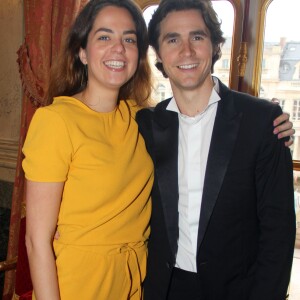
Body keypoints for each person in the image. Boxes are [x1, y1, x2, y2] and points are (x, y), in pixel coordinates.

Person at [136, 1, 296, 299]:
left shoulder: (263, 122)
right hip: (164, 290)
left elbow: (279, 233)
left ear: (215, 45)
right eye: (173, 39)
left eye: (197, 37)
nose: (186, 51)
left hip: (238, 291)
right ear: (158, 54)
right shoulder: (144, 126)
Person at [23, 0, 154, 299]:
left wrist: (268, 123)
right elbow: (36, 240)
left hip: (136, 277)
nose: (118, 48)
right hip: (80, 282)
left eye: (129, 39)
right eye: (104, 37)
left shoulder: (142, 118)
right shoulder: (57, 120)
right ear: (82, 52)